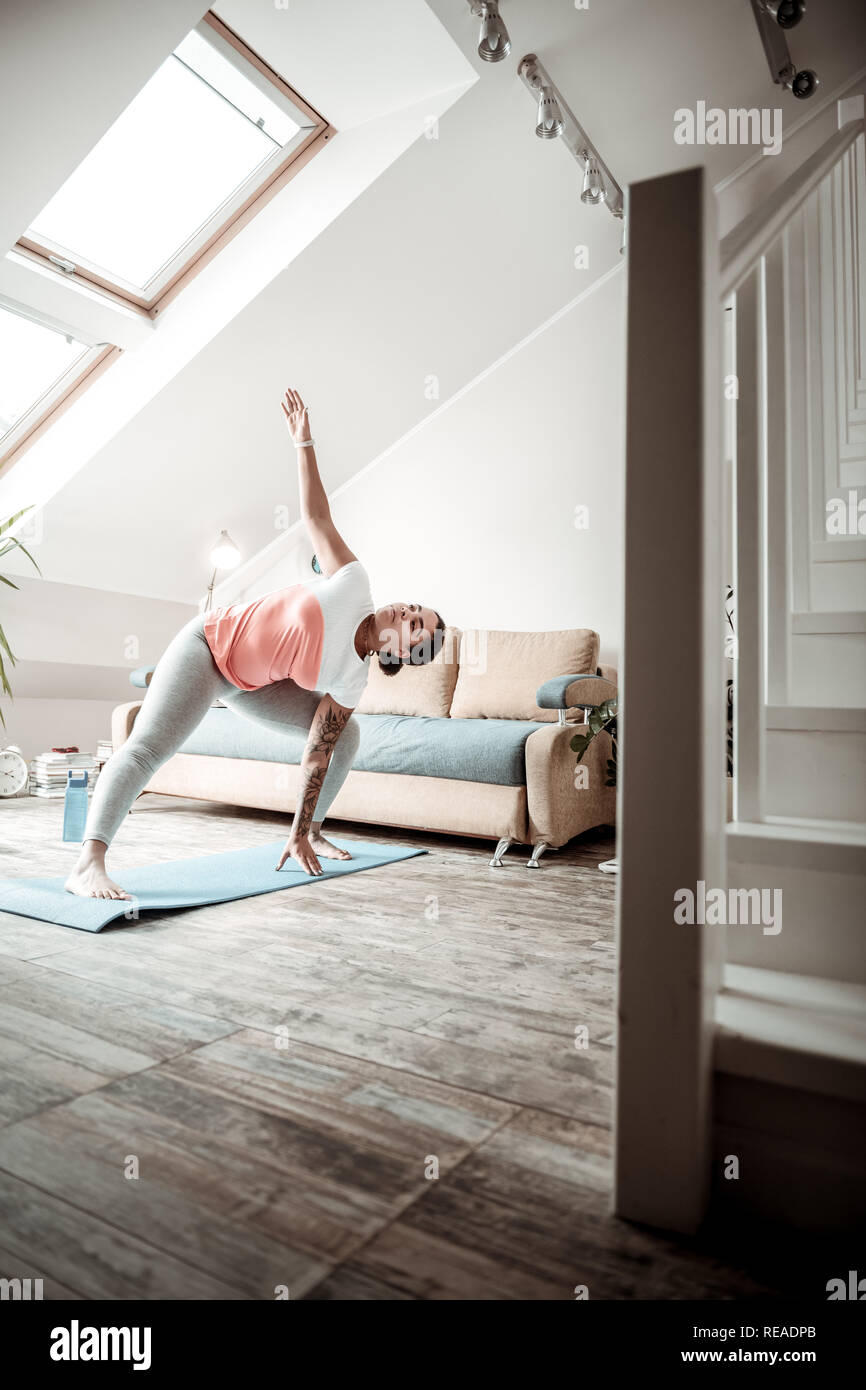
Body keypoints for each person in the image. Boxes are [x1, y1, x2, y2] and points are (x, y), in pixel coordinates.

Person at [65, 388, 445, 899]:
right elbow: (316, 518)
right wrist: (304, 443)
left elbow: (316, 756)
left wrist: (296, 827)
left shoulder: (352, 680)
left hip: (249, 687)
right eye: (416, 607)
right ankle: (88, 863)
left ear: (399, 653)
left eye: (416, 625)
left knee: (344, 738)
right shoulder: (354, 582)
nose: (408, 611)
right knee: (148, 749)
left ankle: (312, 835)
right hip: (208, 647)